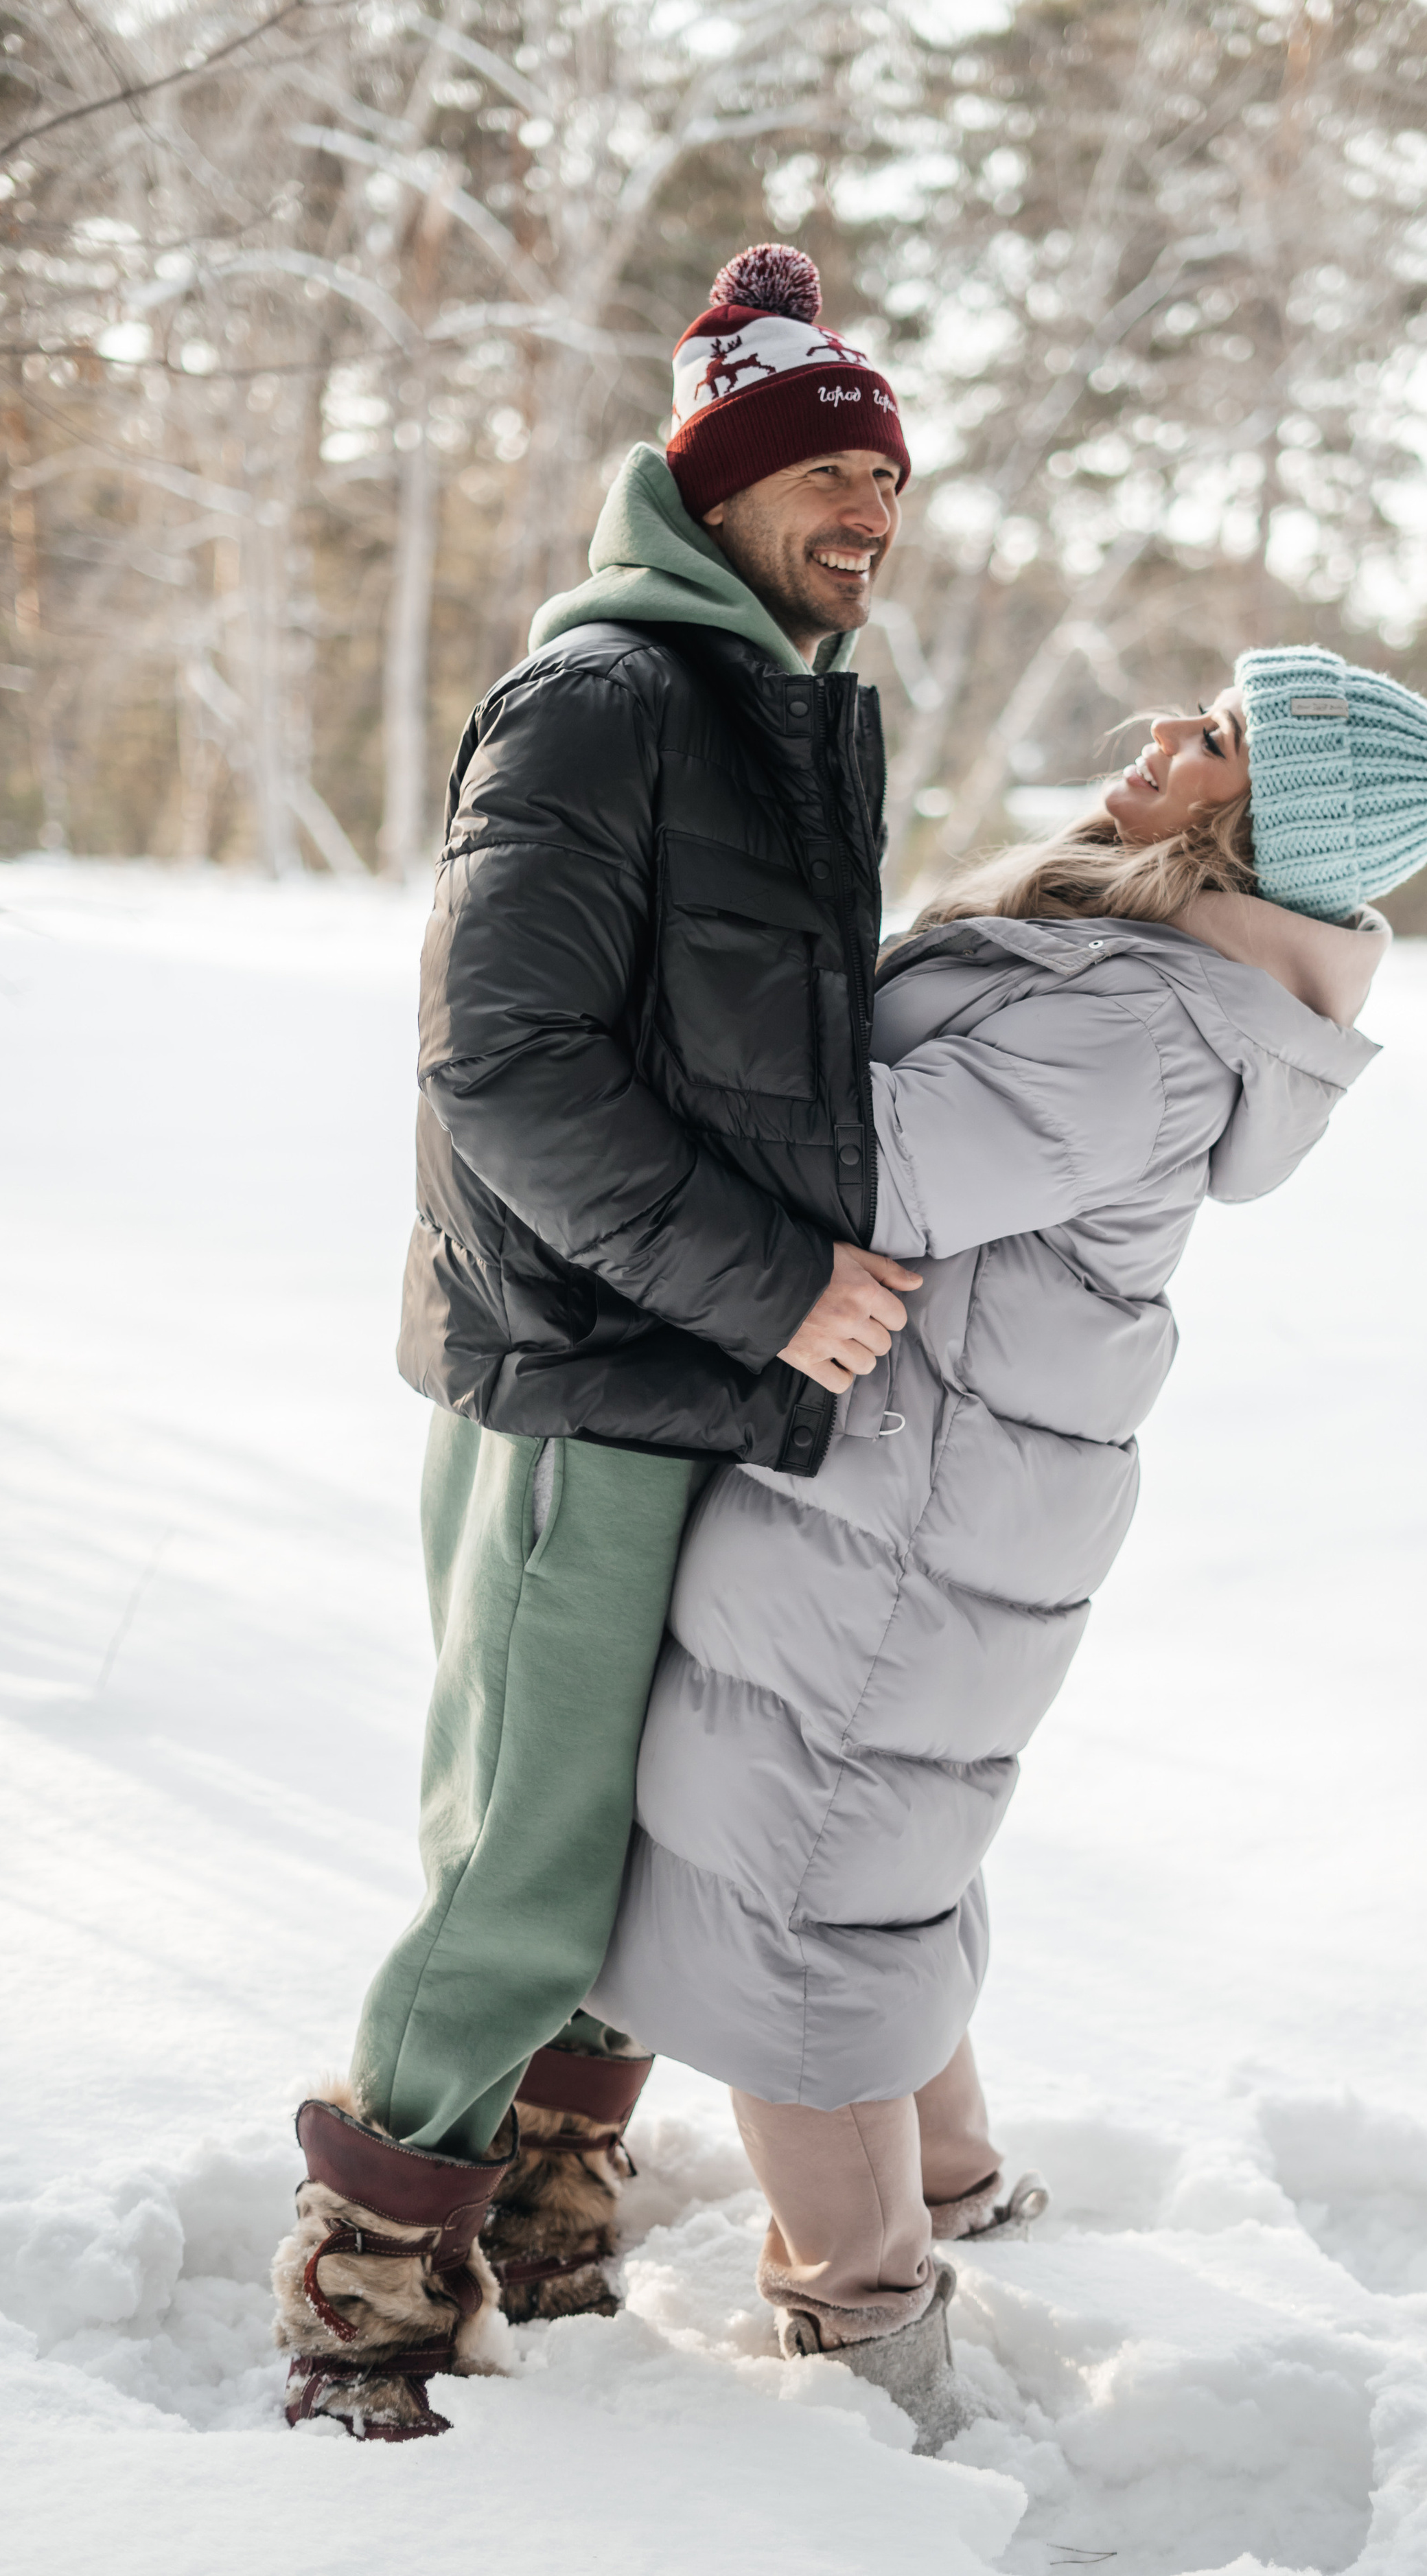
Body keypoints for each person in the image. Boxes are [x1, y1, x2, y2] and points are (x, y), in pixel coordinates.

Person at [585, 648, 1427, 2451]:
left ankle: (867, 2350)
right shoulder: (1148, 981)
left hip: (899, 1528)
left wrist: (659, 983)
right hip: (915, 1503)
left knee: (798, 1911)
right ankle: (953, 2185)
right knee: (865, 1866)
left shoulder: (1141, 1019)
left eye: (1212, 746)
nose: (1158, 749)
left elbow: (860, 1165)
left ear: (1259, 829)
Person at [271, 244, 932, 2441]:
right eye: (831, 471)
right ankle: (369, 2279)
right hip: (583, 1370)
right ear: (715, 486)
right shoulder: (611, 700)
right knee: (526, 1847)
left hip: (708, 1378)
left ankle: (547, 2202)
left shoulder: (787, 703)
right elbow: (509, 1066)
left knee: (650, 1830)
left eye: (890, 479)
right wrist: (773, 1284)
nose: (871, 513)